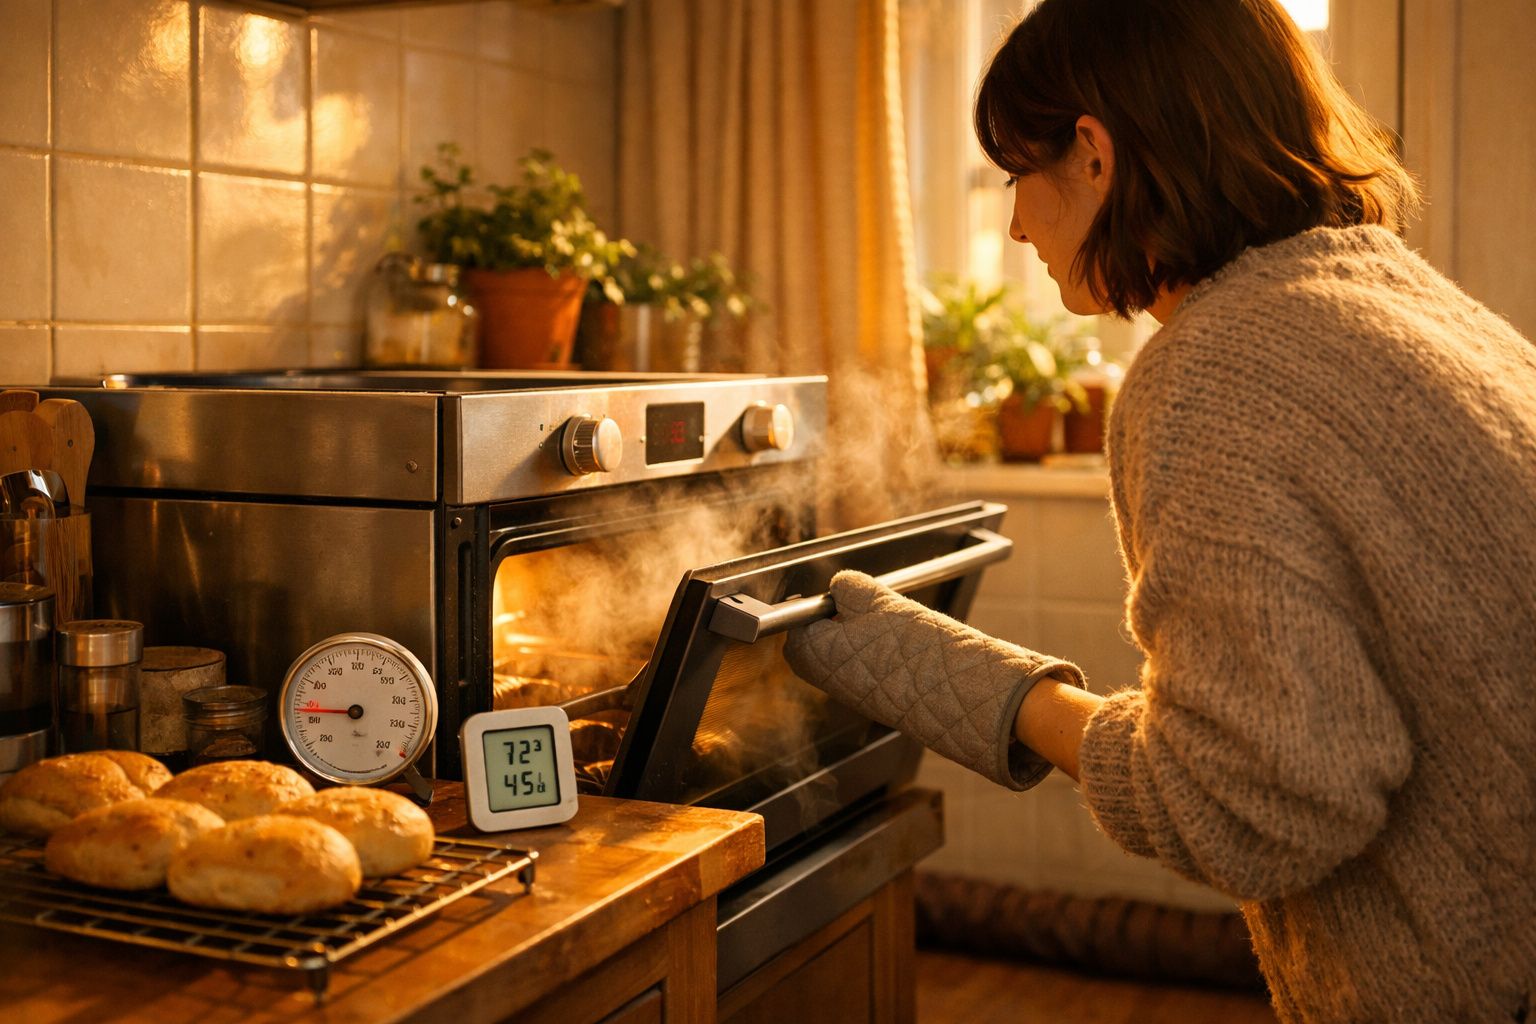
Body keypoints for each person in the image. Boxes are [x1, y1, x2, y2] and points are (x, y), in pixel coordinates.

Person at [783, 1, 1536, 1021]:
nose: (1016, 226)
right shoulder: (1401, 298)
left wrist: (992, 692)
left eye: (1017, 174)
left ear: (1094, 156)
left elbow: (1258, 804)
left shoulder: (1216, 368)